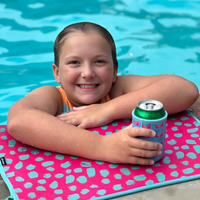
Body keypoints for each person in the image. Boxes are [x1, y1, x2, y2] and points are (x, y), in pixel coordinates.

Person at [7, 22, 199, 165]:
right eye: (74, 62)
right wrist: (103, 146)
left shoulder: (116, 90)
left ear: (115, 70)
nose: (88, 73)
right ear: (57, 73)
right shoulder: (55, 97)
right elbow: (18, 121)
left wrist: (106, 109)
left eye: (99, 62)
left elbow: (185, 90)